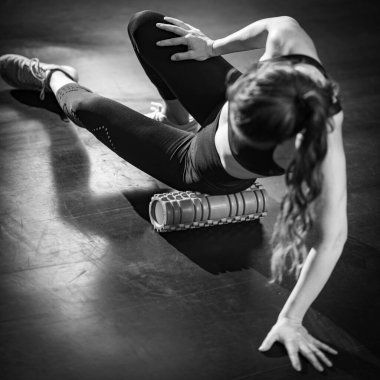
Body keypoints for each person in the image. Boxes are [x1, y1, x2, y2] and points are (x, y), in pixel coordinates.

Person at [0, 10, 347, 372]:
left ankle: (54, 76)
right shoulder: (293, 63)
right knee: (147, 26)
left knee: (84, 106)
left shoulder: (317, 147)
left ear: (284, 146)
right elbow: (281, 23)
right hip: (219, 105)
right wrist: (213, 47)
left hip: (200, 164)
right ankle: (176, 118)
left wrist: (290, 319)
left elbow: (331, 239)